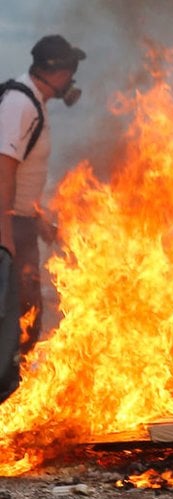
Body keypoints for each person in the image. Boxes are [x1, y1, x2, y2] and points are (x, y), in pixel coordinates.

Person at [0, 34, 86, 399]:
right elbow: (3, 168)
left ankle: (14, 398)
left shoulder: (36, 103)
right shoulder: (19, 103)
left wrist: (36, 221)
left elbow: (23, 178)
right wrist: (3, 230)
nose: (73, 79)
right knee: (10, 321)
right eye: (71, 70)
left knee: (27, 314)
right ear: (57, 71)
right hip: (6, 226)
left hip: (20, 224)